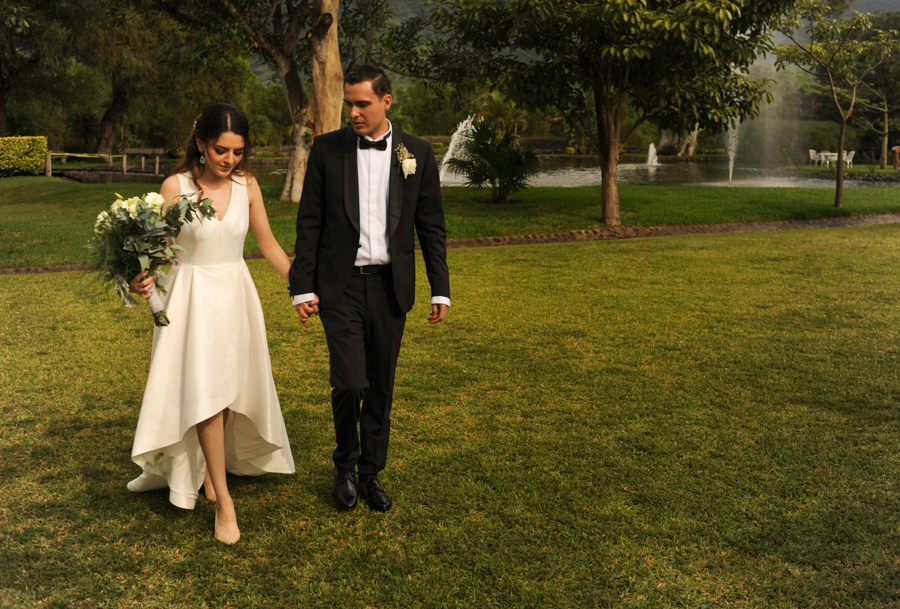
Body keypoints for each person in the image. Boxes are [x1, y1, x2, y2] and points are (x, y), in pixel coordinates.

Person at [127, 103, 295, 545]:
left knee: (223, 392)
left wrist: (302, 288)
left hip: (235, 296)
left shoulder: (249, 185)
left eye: (238, 152)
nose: (230, 160)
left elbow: (270, 245)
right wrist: (139, 276)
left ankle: (206, 474)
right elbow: (158, 250)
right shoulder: (175, 186)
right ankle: (224, 501)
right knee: (206, 396)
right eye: (221, 150)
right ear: (201, 144)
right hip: (190, 299)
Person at [289, 65, 450, 512]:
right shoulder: (327, 149)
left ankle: (371, 472)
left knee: (380, 385)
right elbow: (310, 224)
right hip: (339, 288)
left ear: (386, 102)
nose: (354, 113)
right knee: (349, 383)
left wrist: (441, 288)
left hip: (390, 289)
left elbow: (431, 225)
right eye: (349, 104)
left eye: (363, 104)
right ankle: (344, 467)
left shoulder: (416, 152)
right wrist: (302, 287)